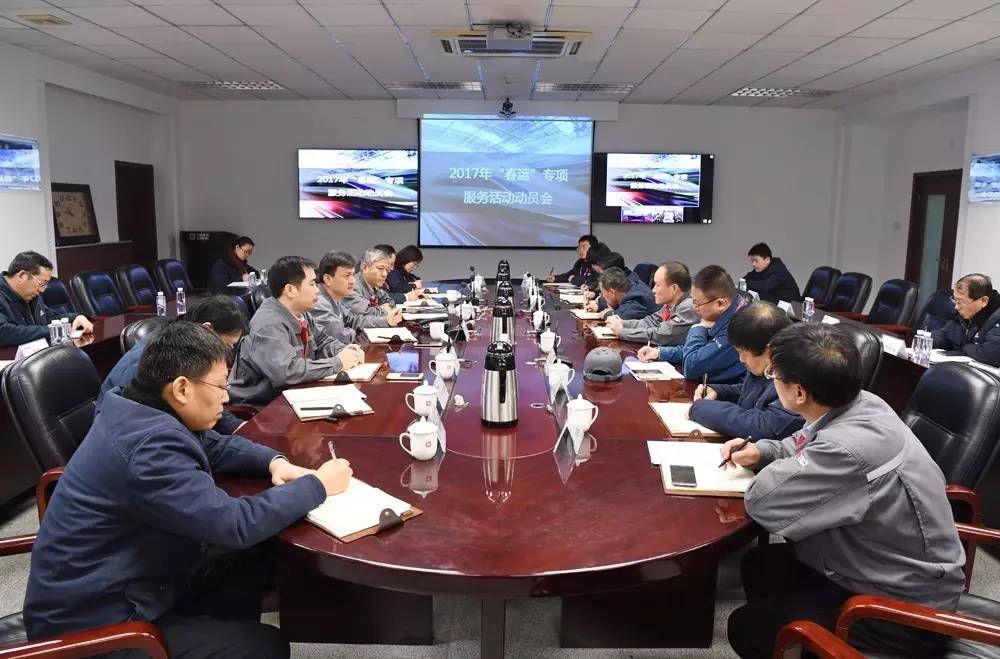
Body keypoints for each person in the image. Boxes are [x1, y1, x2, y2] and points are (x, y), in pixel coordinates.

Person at [23, 321, 355, 658]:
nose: (226, 397)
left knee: (249, 555)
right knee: (265, 647)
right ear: (182, 388)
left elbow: (215, 446)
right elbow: (234, 523)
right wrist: (317, 485)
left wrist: (275, 463)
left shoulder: (139, 406)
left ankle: (218, 634)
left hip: (132, 577)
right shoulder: (149, 447)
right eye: (220, 386)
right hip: (95, 624)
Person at [723, 323, 964, 659]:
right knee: (759, 566)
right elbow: (806, 441)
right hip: (881, 561)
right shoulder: (862, 402)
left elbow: (763, 501)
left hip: (902, 610)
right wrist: (763, 452)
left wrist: (779, 468)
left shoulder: (846, 450)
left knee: (747, 627)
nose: (771, 378)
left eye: (774, 374)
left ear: (799, 393)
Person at [228, 256, 364, 406]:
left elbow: (322, 341)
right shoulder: (268, 324)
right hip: (263, 405)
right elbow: (286, 372)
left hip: (294, 393)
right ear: (290, 290)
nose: (317, 290)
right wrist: (338, 362)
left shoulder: (301, 312)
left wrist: (345, 351)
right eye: (312, 284)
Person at [98, 296, 247, 432]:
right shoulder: (155, 360)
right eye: (227, 345)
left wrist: (235, 426)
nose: (228, 354)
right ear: (207, 329)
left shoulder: (185, 349)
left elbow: (198, 401)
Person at [688, 302, 803, 440]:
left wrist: (700, 408)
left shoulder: (797, 376)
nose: (741, 359)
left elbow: (763, 427)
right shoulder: (767, 365)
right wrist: (719, 391)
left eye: (743, 352)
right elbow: (755, 394)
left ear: (769, 350)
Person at [638, 265, 746, 383]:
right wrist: (660, 353)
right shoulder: (727, 311)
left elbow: (691, 367)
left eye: (697, 303)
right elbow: (703, 351)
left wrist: (698, 328)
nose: (695, 308)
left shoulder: (739, 327)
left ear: (720, 304)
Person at [0, 251, 92, 347]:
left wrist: (77, 317)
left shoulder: (32, 294)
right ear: (22, 275)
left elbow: (49, 319)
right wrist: (55, 330)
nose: (42, 290)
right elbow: (4, 332)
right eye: (42, 283)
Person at [311, 250, 401, 344]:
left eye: (353, 275)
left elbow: (354, 320)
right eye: (347, 275)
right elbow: (341, 335)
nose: (352, 281)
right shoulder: (319, 303)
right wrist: (361, 334)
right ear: (328, 279)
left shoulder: (334, 298)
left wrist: (386, 321)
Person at [607, 261, 697, 346]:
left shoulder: (687, 307)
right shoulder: (669, 304)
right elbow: (650, 322)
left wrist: (622, 332)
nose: (653, 290)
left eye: (658, 285)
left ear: (674, 288)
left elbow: (660, 335)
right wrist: (622, 323)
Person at [932, 273, 1000, 366]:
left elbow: (989, 355)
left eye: (961, 302)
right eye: (955, 300)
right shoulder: (964, 314)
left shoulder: (996, 316)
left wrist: (964, 348)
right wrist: (927, 340)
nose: (956, 307)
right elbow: (944, 336)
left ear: (983, 301)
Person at [344, 247, 397, 317]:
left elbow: (390, 302)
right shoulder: (351, 286)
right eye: (380, 268)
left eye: (387, 270)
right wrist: (383, 310)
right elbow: (365, 313)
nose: (384, 274)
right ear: (365, 268)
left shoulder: (375, 285)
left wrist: (385, 307)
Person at [592, 268, 659, 321]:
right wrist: (599, 305)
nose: (603, 296)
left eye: (603, 294)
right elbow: (612, 302)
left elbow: (621, 316)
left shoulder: (638, 298)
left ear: (612, 292)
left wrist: (607, 314)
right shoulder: (628, 285)